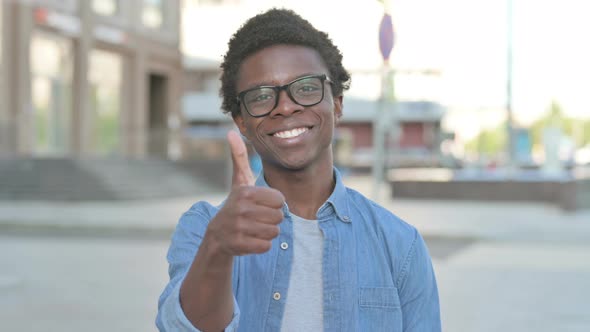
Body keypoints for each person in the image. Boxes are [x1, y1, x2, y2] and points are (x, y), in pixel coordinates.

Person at [157, 8, 440, 332]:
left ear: (336, 103)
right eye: (262, 96)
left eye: (305, 87)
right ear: (242, 123)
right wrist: (218, 248)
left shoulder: (400, 243)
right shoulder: (205, 228)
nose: (286, 106)